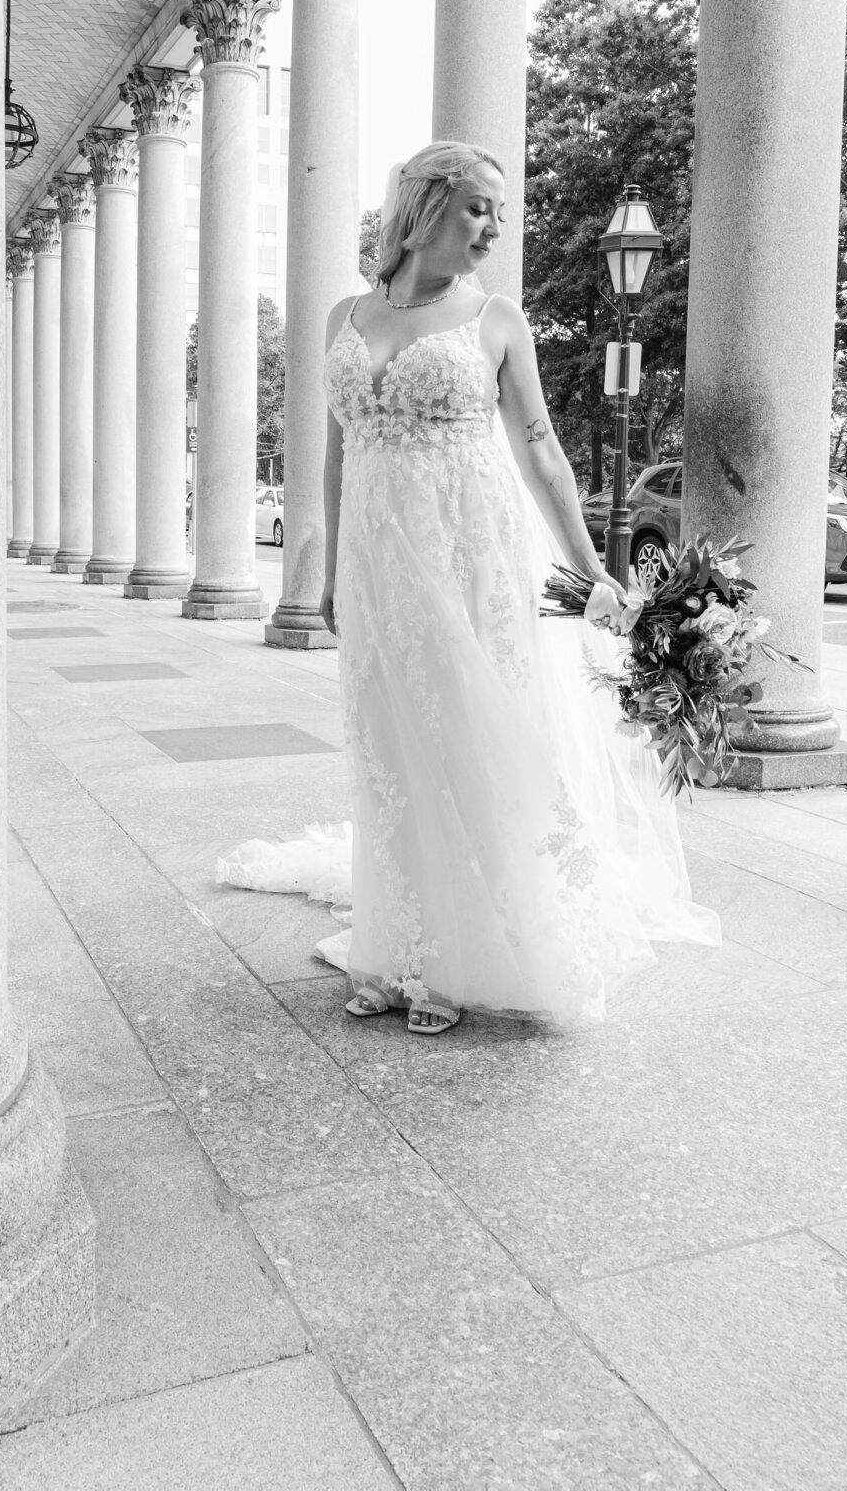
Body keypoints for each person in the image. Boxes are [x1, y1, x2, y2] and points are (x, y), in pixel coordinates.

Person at [219, 142, 719, 1033]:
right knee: (389, 747)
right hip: (377, 561)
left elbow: (541, 450)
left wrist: (589, 564)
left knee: (465, 741)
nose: (492, 225)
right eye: (478, 206)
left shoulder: (496, 319)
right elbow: (335, 454)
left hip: (466, 553)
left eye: (498, 211)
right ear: (424, 205)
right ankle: (394, 947)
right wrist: (328, 567)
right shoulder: (346, 313)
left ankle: (455, 960)